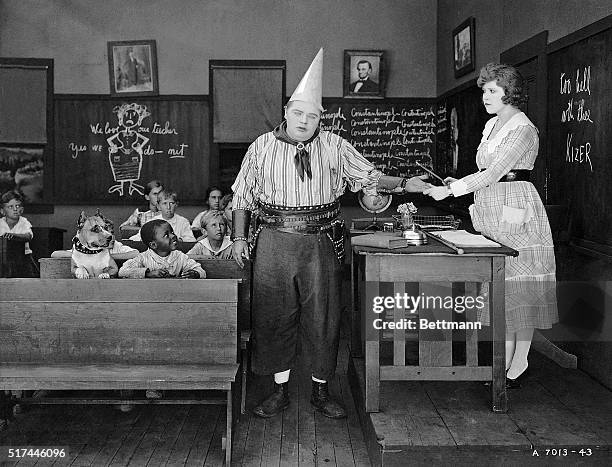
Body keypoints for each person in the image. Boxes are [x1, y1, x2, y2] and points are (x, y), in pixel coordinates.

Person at [230, 49, 430, 419]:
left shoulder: (335, 146)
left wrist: (406, 183)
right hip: (273, 242)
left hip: (322, 240)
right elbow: (241, 197)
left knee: (323, 318)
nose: (304, 121)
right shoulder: (261, 146)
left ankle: (321, 391)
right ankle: (278, 391)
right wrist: (241, 238)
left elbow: (369, 177)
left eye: (312, 115)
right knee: (274, 316)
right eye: (298, 113)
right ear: (286, 113)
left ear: (321, 117)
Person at [424, 63, 557, 388]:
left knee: (519, 284)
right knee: (502, 284)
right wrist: (460, 181)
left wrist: (450, 189)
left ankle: (519, 361)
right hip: (493, 205)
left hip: (516, 205)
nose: (486, 96)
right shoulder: (493, 125)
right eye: (484, 90)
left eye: (492, 91)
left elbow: (495, 172)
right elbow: (484, 171)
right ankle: (506, 360)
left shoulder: (523, 129)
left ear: (509, 93)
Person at [119, 219, 205, 402]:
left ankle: (160, 384)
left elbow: (200, 269)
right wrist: (147, 273)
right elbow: (123, 271)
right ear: (153, 244)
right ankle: (137, 384)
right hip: (146, 315)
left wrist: (194, 273)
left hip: (173, 314)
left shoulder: (180, 257)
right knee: (143, 344)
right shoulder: (143, 258)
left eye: (172, 231)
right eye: (166, 234)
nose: (173, 235)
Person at [129, 189, 196, 242]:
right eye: (164, 203)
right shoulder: (152, 221)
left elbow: (191, 240)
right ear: (158, 206)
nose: (168, 207)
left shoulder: (183, 222)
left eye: (171, 203)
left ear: (176, 205)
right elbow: (138, 237)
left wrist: (179, 240)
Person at [0, 191, 37, 277]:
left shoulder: (23, 222)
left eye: (17, 206)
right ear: (2, 211)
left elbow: (28, 236)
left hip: (23, 259)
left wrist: (13, 236)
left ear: (22, 209)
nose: (15, 209)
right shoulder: (0, 223)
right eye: (10, 207)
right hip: (3, 260)